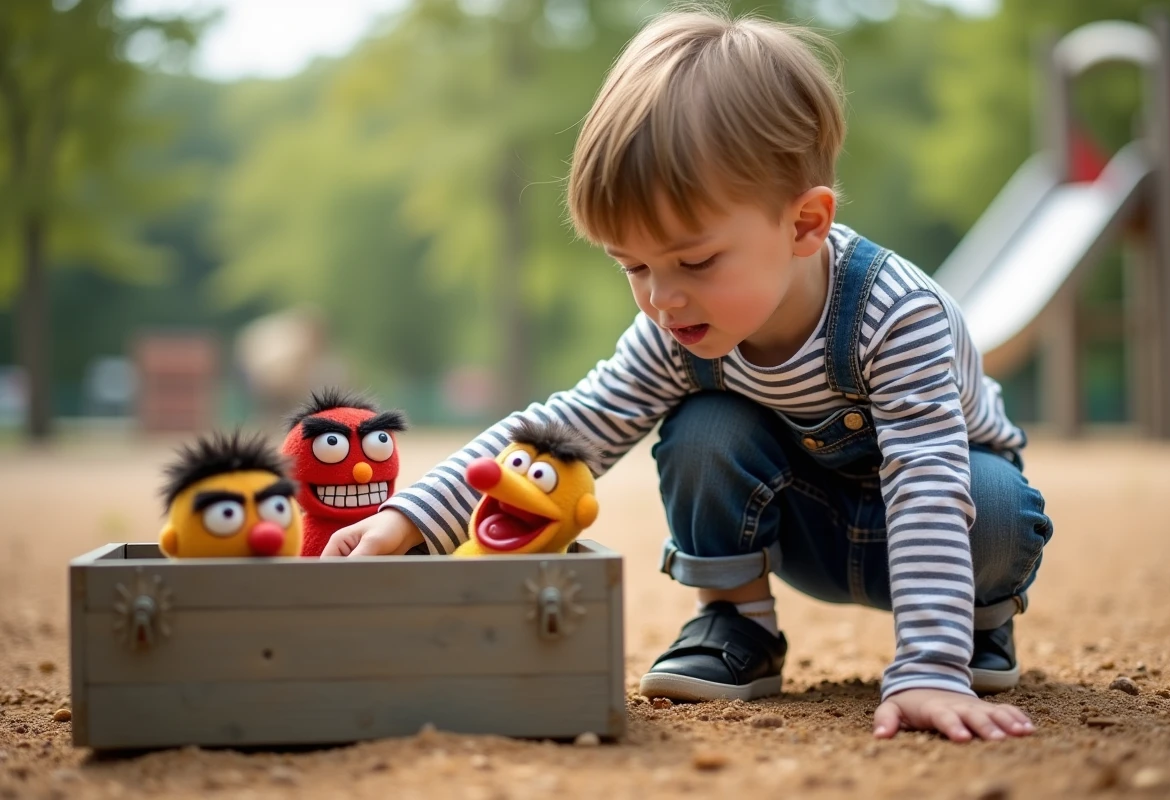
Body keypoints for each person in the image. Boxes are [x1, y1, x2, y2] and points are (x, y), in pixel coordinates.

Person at [323, 6, 1053, 743]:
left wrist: (929, 666)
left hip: (948, 535)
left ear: (804, 224)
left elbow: (928, 480)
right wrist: (409, 518)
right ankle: (737, 625)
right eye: (633, 266)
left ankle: (975, 629)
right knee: (704, 427)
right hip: (800, 528)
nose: (662, 298)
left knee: (994, 498)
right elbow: (564, 431)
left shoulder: (896, 314)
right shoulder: (677, 331)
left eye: (695, 262)